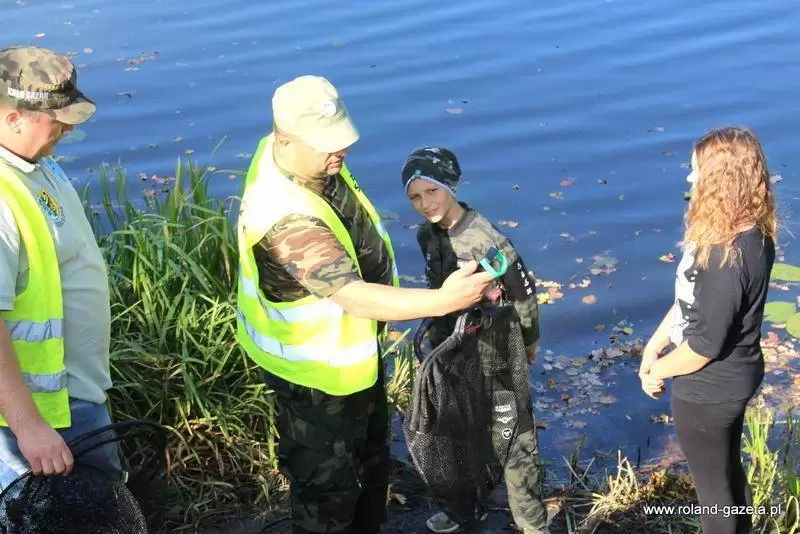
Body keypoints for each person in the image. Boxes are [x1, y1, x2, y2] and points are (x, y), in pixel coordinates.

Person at [235, 75, 495, 534]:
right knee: (328, 493)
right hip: (317, 380)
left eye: (342, 139)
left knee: (370, 470)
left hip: (350, 361)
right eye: (327, 144)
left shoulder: (302, 159)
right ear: (286, 139)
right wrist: (443, 300)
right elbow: (351, 295)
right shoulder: (284, 217)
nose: (341, 151)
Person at [401, 146, 549, 534]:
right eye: (415, 197)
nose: (424, 204)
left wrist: (529, 341)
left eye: (432, 191)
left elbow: (523, 292)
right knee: (457, 433)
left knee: (514, 439)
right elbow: (438, 293)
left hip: (496, 350)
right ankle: (465, 509)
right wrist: (434, 349)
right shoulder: (426, 234)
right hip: (453, 350)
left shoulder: (485, 239)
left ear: (450, 186)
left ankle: (532, 524)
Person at [639, 126, 776, 534]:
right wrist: (654, 345)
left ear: (720, 180)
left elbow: (703, 345)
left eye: (696, 170)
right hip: (738, 373)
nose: (690, 177)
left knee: (713, 493)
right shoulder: (751, 232)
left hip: (709, 388)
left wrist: (657, 371)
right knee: (727, 473)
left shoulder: (725, 255)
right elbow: (691, 300)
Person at [0, 46, 121, 489]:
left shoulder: (32, 161)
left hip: (74, 397)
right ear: (15, 118)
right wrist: (29, 427)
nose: (68, 127)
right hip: (39, 418)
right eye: (57, 118)